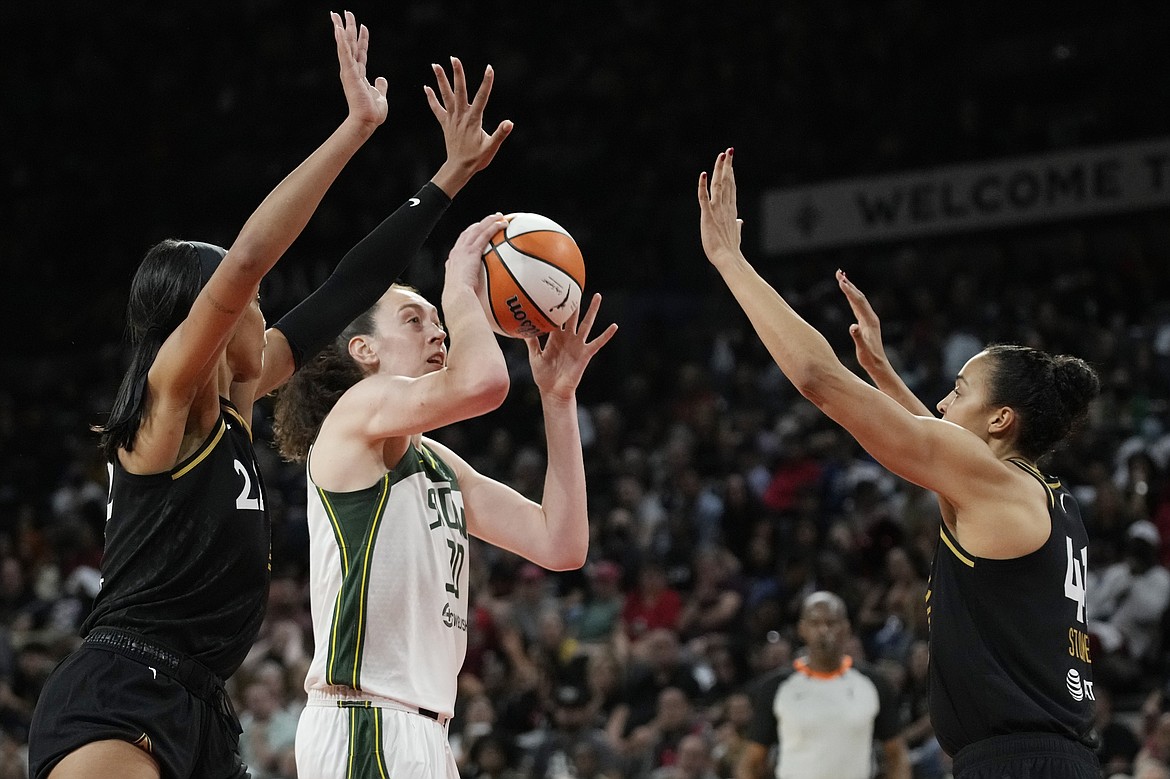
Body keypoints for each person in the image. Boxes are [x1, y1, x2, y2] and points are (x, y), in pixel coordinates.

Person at [28, 13, 512, 778]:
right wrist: (354, 129)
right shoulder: (169, 400)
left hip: (201, 704)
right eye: (244, 304)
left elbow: (347, 285)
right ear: (205, 321)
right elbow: (252, 257)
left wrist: (445, 181)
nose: (264, 310)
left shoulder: (236, 396)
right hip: (121, 691)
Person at [697, 148, 1102, 777]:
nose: (944, 401)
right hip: (1043, 757)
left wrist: (729, 259)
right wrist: (884, 374)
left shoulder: (994, 484)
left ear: (1001, 420)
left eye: (961, 391)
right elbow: (934, 442)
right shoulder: (1039, 495)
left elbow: (814, 378)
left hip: (1017, 764)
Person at [271, 216, 617, 776]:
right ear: (363, 349)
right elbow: (484, 383)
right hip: (366, 721)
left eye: (439, 320)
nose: (440, 332)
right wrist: (460, 280)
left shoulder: (433, 461)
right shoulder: (353, 417)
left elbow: (561, 543)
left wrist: (558, 400)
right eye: (415, 320)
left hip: (424, 728)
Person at [737, 591, 908, 779]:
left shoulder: (873, 684)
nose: (824, 630)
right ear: (802, 629)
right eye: (815, 623)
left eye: (831, 623)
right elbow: (751, 763)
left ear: (846, 628)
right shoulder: (777, 687)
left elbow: (897, 755)